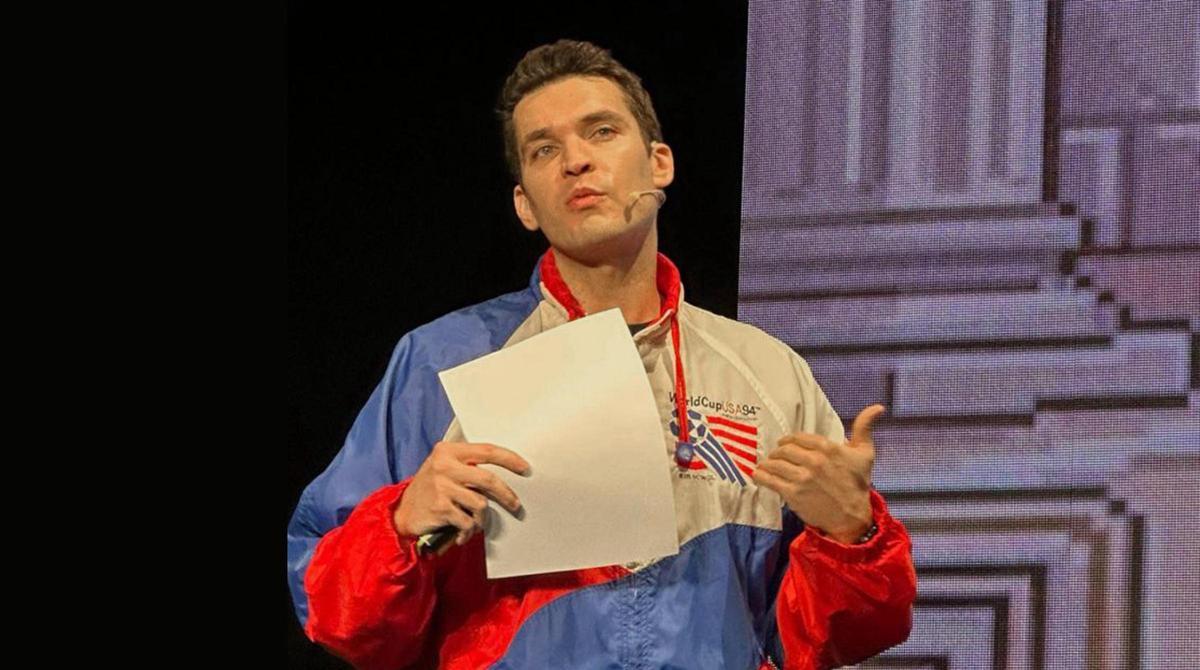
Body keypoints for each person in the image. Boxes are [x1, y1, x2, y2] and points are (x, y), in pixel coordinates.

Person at [287, 39, 916, 670]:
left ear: (659, 164)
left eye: (602, 131)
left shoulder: (768, 372)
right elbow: (337, 616)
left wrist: (851, 537)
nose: (575, 162)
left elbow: (825, 639)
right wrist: (400, 525)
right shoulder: (442, 363)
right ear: (524, 204)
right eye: (544, 149)